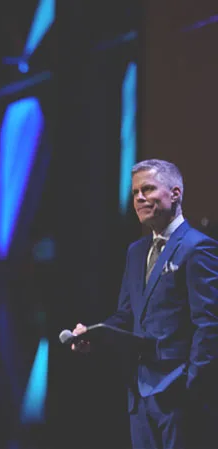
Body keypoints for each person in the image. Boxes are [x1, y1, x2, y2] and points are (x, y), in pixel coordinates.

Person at [71, 159, 218, 448]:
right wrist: (94, 334)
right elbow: (127, 315)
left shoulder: (198, 247)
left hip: (180, 398)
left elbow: (210, 325)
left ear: (175, 193)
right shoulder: (136, 252)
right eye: (135, 191)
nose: (139, 197)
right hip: (139, 397)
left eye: (148, 189)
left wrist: (192, 387)